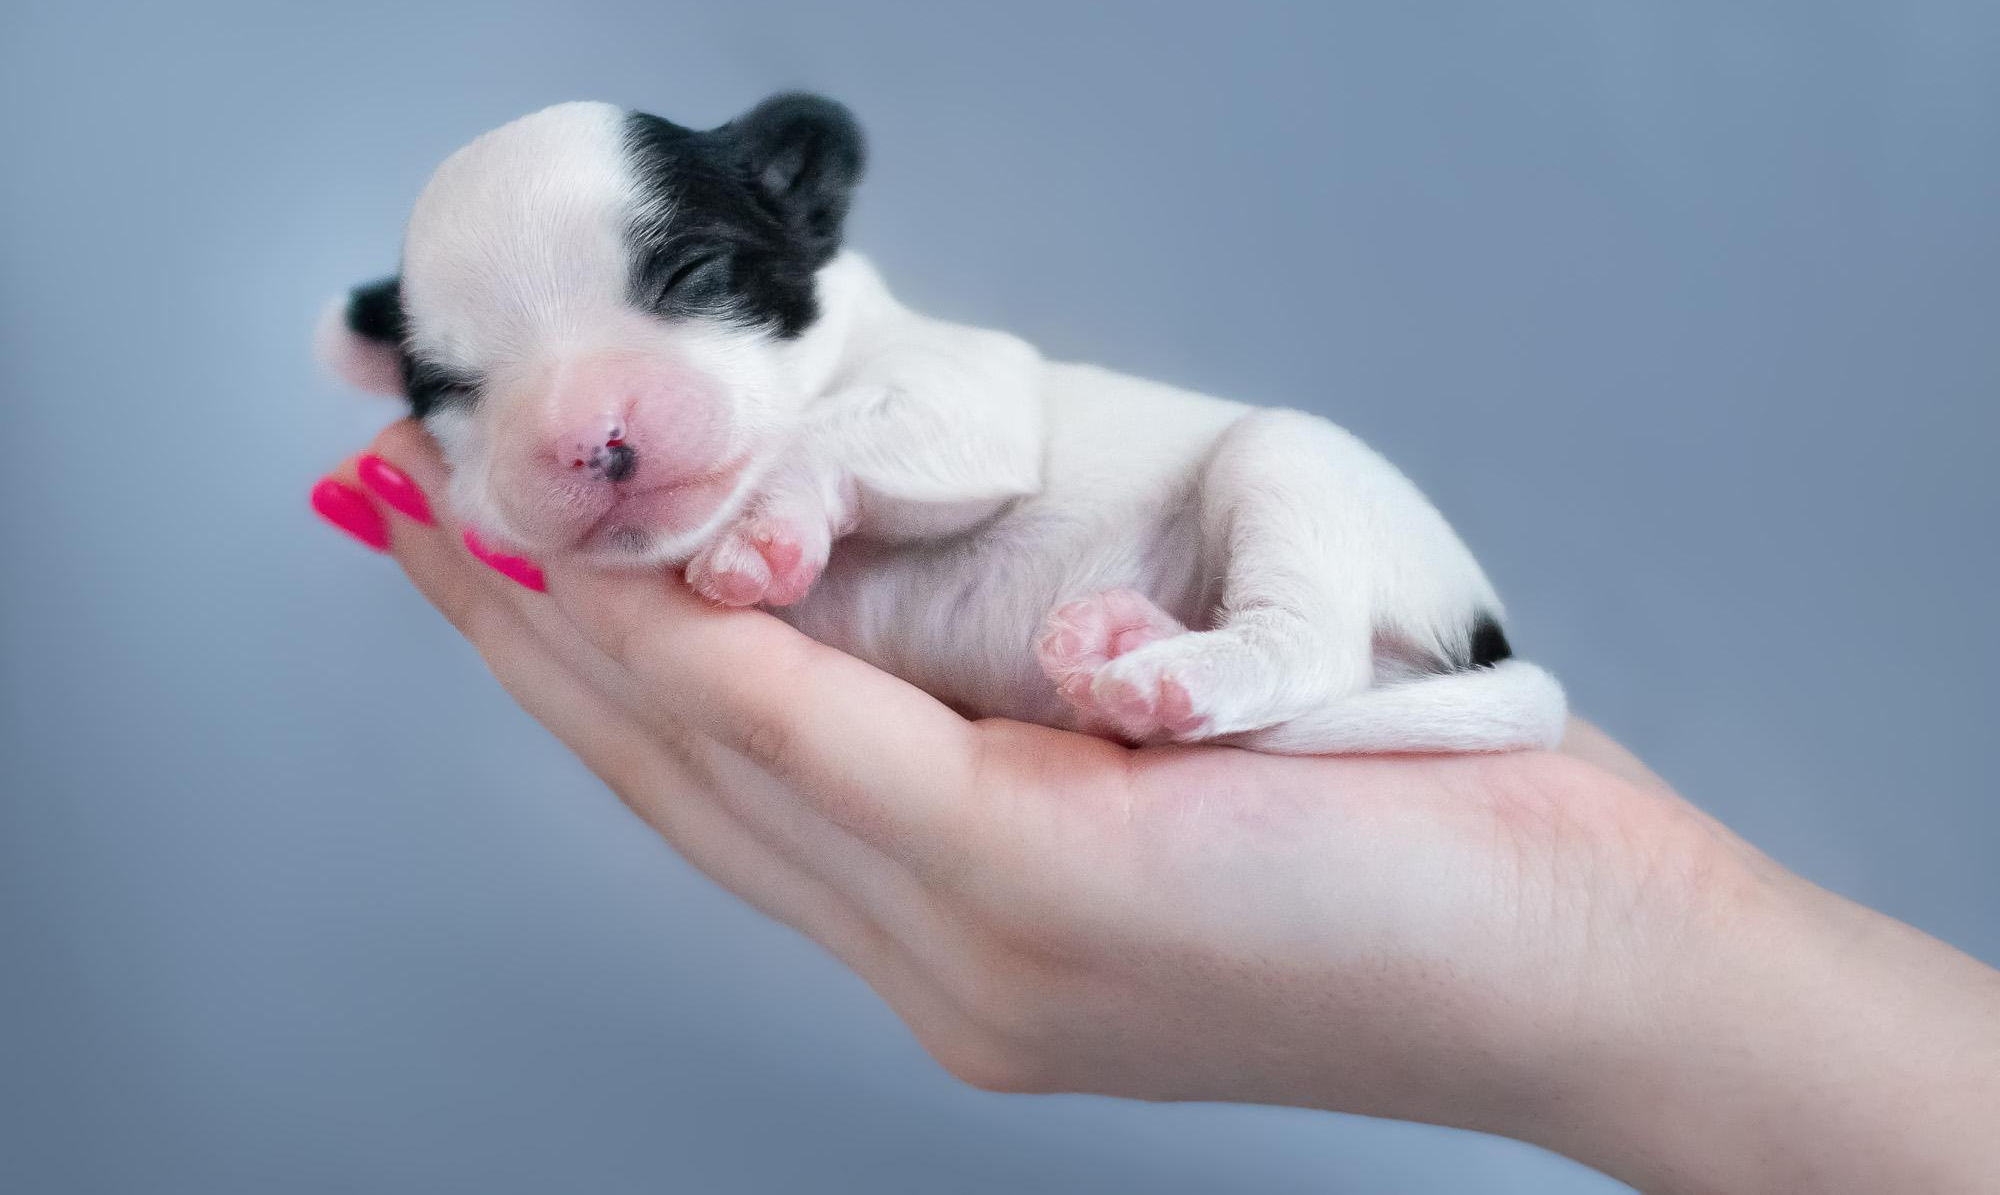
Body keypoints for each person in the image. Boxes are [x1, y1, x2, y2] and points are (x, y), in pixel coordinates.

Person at [312, 423, 2000, 1194]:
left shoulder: (887, 369)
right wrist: (1623, 945)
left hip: (1335, 576)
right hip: (1290, 630)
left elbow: (966, 439)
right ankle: (1255, 667)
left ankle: (1268, 657)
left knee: (1279, 480)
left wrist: (1596, 945)